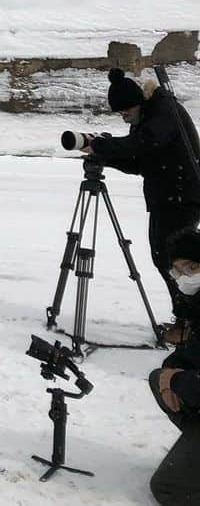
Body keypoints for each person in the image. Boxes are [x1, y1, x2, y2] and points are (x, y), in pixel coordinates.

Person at [88, 69, 200, 331]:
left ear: (136, 102)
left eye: (125, 112)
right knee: (164, 258)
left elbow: (143, 143)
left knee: (179, 262)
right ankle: (185, 321)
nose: (124, 117)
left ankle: (189, 325)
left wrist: (102, 145)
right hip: (167, 198)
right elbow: (139, 162)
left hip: (182, 197)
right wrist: (102, 154)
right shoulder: (148, 116)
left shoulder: (163, 110)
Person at [148, 228, 200, 504]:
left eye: (192, 267)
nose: (184, 277)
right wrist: (170, 374)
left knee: (167, 487)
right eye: (178, 271)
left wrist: (176, 380)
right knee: (159, 378)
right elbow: (187, 353)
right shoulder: (196, 304)